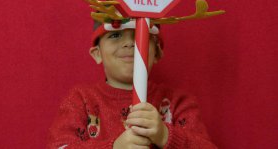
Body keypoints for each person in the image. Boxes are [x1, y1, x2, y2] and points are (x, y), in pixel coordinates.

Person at [47, 19, 217, 148]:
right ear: (97, 53)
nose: (129, 43)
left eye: (140, 35)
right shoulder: (81, 100)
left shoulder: (177, 102)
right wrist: (113, 147)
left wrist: (165, 136)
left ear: (157, 52)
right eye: (115, 35)